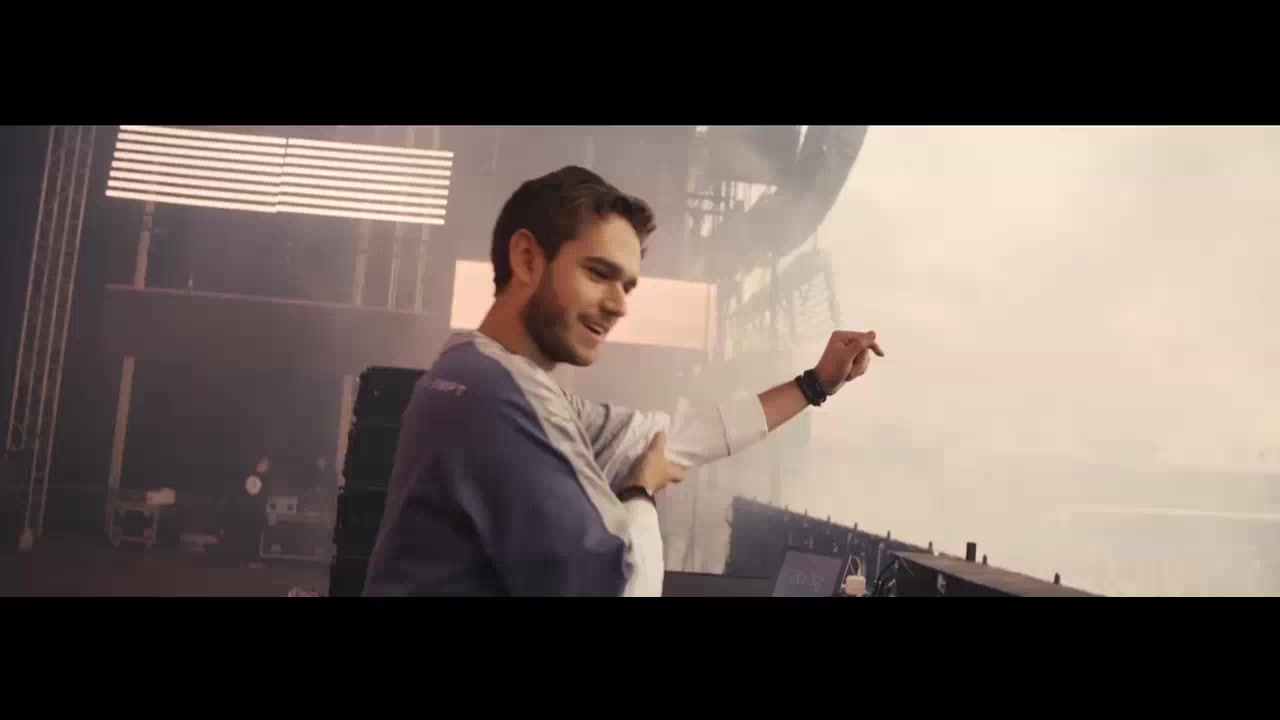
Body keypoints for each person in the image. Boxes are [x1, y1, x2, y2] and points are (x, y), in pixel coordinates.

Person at [363, 166, 883, 597]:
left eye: (627, 286)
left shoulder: (472, 372)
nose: (618, 306)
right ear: (527, 259)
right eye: (598, 273)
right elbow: (625, 584)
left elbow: (672, 441)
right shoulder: (500, 402)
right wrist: (640, 491)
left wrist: (815, 384)